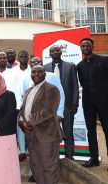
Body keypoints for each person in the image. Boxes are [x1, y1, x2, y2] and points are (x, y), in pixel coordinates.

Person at [19, 65, 62, 184]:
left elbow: (49, 111)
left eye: (39, 71)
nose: (36, 74)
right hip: (31, 134)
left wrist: (29, 121)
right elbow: (22, 110)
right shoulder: (29, 90)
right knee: (36, 166)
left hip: (47, 135)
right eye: (34, 72)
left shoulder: (51, 89)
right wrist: (21, 122)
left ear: (45, 74)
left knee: (48, 167)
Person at [77, 38, 108, 168]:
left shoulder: (103, 60)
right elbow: (83, 83)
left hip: (104, 100)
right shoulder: (79, 65)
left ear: (92, 46)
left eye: (87, 45)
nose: (85, 47)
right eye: (83, 45)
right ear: (81, 48)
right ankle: (94, 158)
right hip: (88, 101)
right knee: (91, 130)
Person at [44, 45, 79, 160]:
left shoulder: (70, 66)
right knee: (52, 133)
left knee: (68, 131)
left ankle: (69, 157)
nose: (55, 52)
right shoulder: (44, 67)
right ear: (50, 54)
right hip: (50, 107)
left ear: (61, 52)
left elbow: (75, 85)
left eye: (57, 50)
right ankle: (53, 157)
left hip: (67, 105)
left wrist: (75, 103)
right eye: (52, 51)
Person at [11, 50, 31, 161]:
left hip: (30, 105)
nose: (23, 57)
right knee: (18, 128)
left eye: (25, 56)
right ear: (18, 58)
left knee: (28, 127)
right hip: (16, 104)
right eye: (21, 56)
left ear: (27, 57)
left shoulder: (33, 70)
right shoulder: (13, 71)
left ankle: (28, 151)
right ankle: (21, 151)